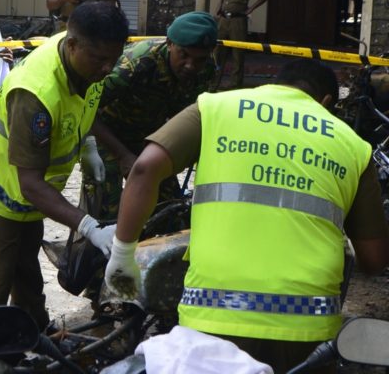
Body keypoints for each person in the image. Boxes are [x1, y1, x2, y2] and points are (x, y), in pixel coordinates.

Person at [105, 59, 389, 373]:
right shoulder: (353, 145)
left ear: (271, 85)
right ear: (326, 102)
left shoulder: (215, 108)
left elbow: (144, 168)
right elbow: (374, 260)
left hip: (213, 316)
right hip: (307, 327)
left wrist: (122, 254)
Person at [0, 1, 129, 330]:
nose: (108, 68)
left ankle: (35, 333)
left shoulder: (85, 61)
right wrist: (89, 227)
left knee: (26, 267)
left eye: (114, 58)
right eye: (100, 60)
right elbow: (30, 185)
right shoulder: (36, 95)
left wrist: (95, 146)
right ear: (72, 46)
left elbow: (82, 105)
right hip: (3, 191)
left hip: (34, 196)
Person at [87, 12, 217, 221]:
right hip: (107, 133)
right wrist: (123, 156)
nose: (191, 65)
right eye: (184, 55)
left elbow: (189, 113)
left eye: (199, 59)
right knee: (105, 210)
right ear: (170, 43)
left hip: (150, 135)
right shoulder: (136, 64)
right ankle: (89, 252)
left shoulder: (207, 70)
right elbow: (87, 110)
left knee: (169, 207)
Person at [213, 0, 270, 89]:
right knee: (217, 53)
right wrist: (217, 12)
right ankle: (213, 83)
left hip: (237, 22)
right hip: (223, 20)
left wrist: (251, 9)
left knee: (237, 54)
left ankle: (235, 85)